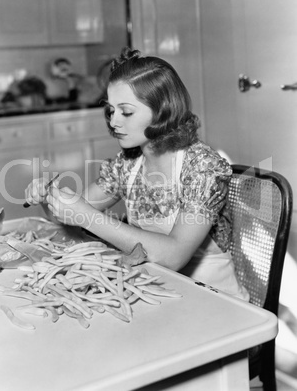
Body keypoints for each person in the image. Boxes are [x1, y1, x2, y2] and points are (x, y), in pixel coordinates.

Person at [25, 47, 249, 301]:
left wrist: (88, 217)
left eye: (126, 112)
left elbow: (174, 256)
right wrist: (48, 196)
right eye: (111, 110)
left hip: (216, 304)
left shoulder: (202, 167)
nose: (113, 121)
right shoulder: (127, 164)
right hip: (157, 293)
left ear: (162, 111)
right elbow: (69, 217)